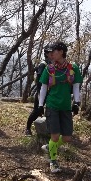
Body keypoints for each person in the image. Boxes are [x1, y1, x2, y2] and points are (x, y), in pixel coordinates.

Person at [38, 41, 82, 173]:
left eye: (53, 51)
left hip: (66, 106)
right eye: (50, 52)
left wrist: (76, 102)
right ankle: (53, 161)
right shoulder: (49, 68)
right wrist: (41, 105)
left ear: (61, 52)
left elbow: (76, 86)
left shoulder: (72, 68)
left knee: (67, 137)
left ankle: (50, 146)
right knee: (55, 136)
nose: (51, 54)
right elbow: (43, 87)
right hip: (52, 105)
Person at [24, 44, 53, 136]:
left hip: (50, 92)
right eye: (50, 52)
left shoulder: (52, 64)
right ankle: (27, 128)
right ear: (46, 54)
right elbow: (39, 80)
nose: (52, 54)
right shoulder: (43, 64)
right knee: (37, 111)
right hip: (42, 92)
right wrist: (41, 93)